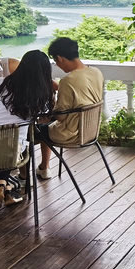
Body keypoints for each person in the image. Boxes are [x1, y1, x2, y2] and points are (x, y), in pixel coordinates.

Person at [0, 50, 54, 209]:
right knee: (8, 149)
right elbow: (44, 119)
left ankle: (4, 186)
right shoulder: (42, 94)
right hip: (14, 149)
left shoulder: (0, 83)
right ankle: (10, 187)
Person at [35, 37, 104, 179]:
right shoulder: (96, 72)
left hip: (70, 134)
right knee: (43, 125)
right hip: (90, 131)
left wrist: (49, 112)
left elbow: (60, 116)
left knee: (32, 132)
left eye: (56, 62)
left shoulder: (68, 80)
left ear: (60, 58)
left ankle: (27, 176)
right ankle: (44, 168)